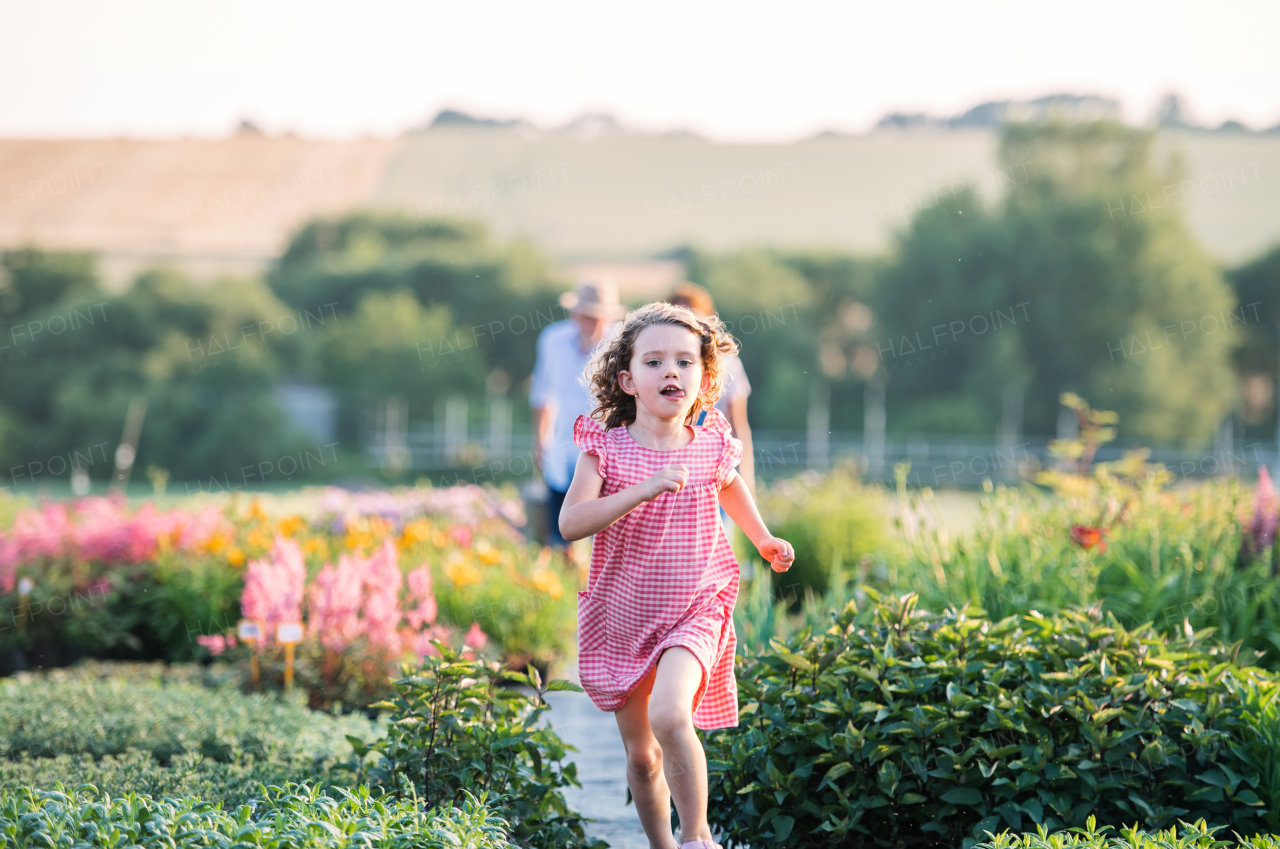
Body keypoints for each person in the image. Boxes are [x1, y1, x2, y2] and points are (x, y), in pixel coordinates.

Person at [559, 302, 795, 849]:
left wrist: (762, 538)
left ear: (705, 378)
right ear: (628, 380)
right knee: (642, 759)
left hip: (696, 604)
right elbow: (571, 523)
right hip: (623, 615)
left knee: (671, 714)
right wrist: (642, 489)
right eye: (655, 361)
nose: (672, 372)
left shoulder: (712, 441)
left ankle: (697, 838)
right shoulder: (606, 449)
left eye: (686, 362)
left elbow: (730, 485)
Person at [529, 277, 624, 553]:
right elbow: (541, 392)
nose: (590, 321)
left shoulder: (618, 345)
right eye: (585, 314)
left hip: (607, 447)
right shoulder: (553, 340)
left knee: (602, 526)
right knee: (561, 528)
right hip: (561, 445)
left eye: (596, 316)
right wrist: (539, 439)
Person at [668, 282, 754, 494]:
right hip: (670, 460)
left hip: (713, 462)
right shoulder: (662, 358)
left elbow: (738, 424)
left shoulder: (727, 361)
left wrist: (747, 478)